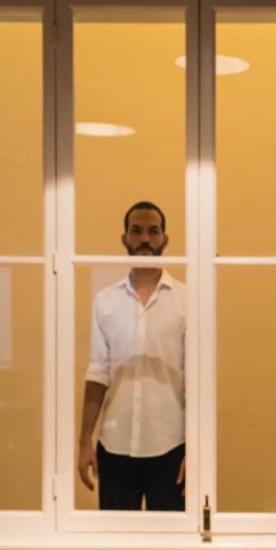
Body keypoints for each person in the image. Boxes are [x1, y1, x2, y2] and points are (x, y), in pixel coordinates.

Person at [77, 201, 186, 511]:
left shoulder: (187, 300)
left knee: (170, 539)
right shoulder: (105, 301)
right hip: (115, 446)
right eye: (136, 231)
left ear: (165, 239)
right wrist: (84, 443)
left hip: (171, 447)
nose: (145, 239)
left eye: (153, 231)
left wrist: (197, 450)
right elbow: (97, 374)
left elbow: (196, 381)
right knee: (116, 539)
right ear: (124, 238)